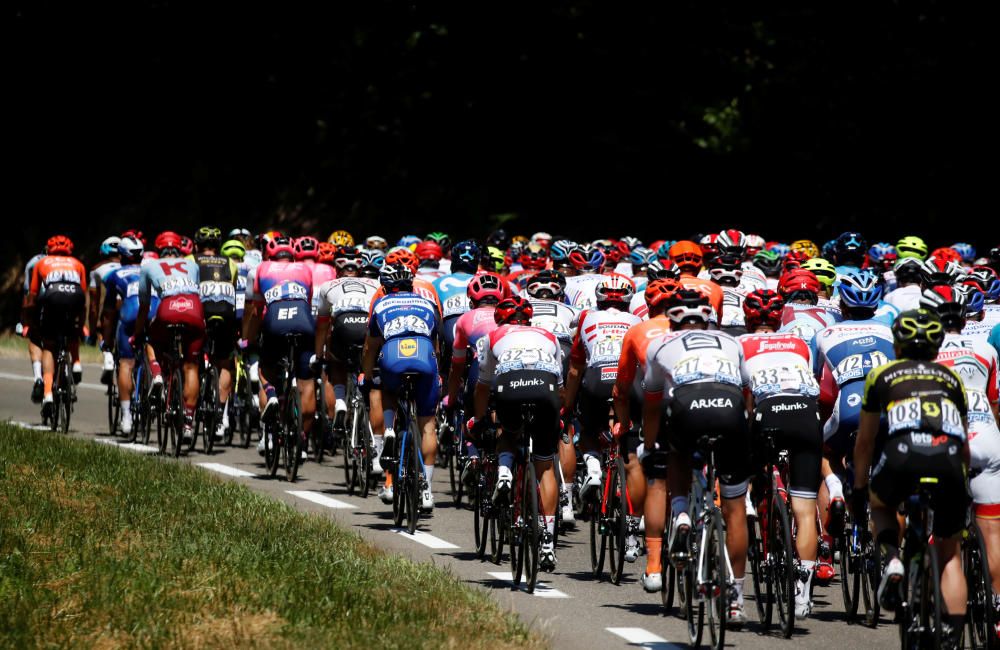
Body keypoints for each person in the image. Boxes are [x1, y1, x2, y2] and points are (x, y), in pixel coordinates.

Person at [853, 309, 969, 649]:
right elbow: (963, 441)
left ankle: (892, 561)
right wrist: (964, 480)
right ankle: (954, 633)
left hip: (901, 456)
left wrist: (860, 487)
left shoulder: (882, 375)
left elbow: (865, 441)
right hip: (947, 459)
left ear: (898, 344)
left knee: (881, 504)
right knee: (950, 554)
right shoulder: (951, 378)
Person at [641, 288, 751, 626]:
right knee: (734, 511)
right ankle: (734, 597)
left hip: (687, 408)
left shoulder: (659, 343)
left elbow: (652, 400)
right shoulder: (731, 342)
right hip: (730, 408)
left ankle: (682, 515)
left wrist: (649, 443)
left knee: (675, 454)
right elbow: (748, 391)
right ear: (708, 319)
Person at [739, 289, 823, 619]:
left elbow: (744, 394)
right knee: (804, 508)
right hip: (805, 414)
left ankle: (749, 499)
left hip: (767, 412)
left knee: (749, 461)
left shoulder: (742, 343)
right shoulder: (800, 344)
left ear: (748, 319)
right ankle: (802, 593)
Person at [470, 296, 564, 570]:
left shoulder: (493, 335)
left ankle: (504, 474)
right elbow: (559, 384)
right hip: (545, 388)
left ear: (501, 319)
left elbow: (482, 385)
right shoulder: (548, 335)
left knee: (507, 432)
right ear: (529, 320)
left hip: (510, 386)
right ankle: (547, 539)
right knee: (545, 465)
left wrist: (479, 419)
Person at [362, 263, 441, 510]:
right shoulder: (427, 304)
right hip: (424, 355)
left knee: (384, 388)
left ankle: (388, 429)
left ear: (385, 286)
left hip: (393, 355)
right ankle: (426, 490)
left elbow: (370, 347)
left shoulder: (381, 304)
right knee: (428, 424)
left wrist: (366, 375)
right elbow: (437, 344)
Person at [614, 278, 679, 573]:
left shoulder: (637, 329)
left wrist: (623, 423)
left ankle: (635, 528)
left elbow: (621, 388)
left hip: (650, 392)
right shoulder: (698, 329)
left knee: (644, 463)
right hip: (694, 396)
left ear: (649, 305)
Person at [563, 277, 641, 507]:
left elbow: (576, 369)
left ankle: (594, 468)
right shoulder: (637, 320)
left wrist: (567, 406)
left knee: (588, 430)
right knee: (633, 433)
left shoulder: (587, 317)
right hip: (629, 381)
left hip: (597, 379)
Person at [245, 236, 316, 460]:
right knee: (306, 383)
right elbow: (308, 300)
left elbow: (256, 311)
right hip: (304, 324)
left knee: (266, 369)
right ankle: (302, 442)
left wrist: (250, 337)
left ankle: (271, 405)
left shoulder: (261, 269)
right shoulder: (304, 269)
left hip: (275, 323)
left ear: (269, 255)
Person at [134, 232, 205, 442]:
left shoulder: (148, 266)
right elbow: (196, 292)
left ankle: (156, 374)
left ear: (158, 250)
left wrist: (137, 333)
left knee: (151, 340)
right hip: (193, 307)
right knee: (191, 365)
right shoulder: (192, 265)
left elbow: (144, 306)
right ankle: (188, 423)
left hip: (168, 307)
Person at [314, 247, 380, 459]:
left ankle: (340, 401)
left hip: (343, 325)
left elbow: (323, 325)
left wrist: (320, 354)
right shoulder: (375, 283)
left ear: (337, 268)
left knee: (336, 363)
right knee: (372, 376)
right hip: (366, 328)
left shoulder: (327, 286)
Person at [22, 235, 88, 418]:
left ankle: (48, 393)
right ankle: (76, 363)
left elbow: (32, 296)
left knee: (49, 346)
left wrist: (30, 320)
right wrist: (81, 326)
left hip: (51, 299)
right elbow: (82, 299)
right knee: (73, 329)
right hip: (75, 298)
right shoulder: (78, 264)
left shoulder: (41, 263)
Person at [189, 226, 240, 439]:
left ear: (197, 245)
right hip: (227, 314)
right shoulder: (231, 263)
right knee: (225, 362)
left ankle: (189, 415)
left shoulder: (190, 260)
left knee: (190, 362)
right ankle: (219, 415)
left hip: (201, 313)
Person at [101, 236, 154, 435]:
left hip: (131, 315)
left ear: (121, 256)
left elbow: (108, 313)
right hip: (153, 313)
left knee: (126, 363)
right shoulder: (151, 269)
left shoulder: (114, 275)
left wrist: (106, 341)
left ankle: (126, 417)